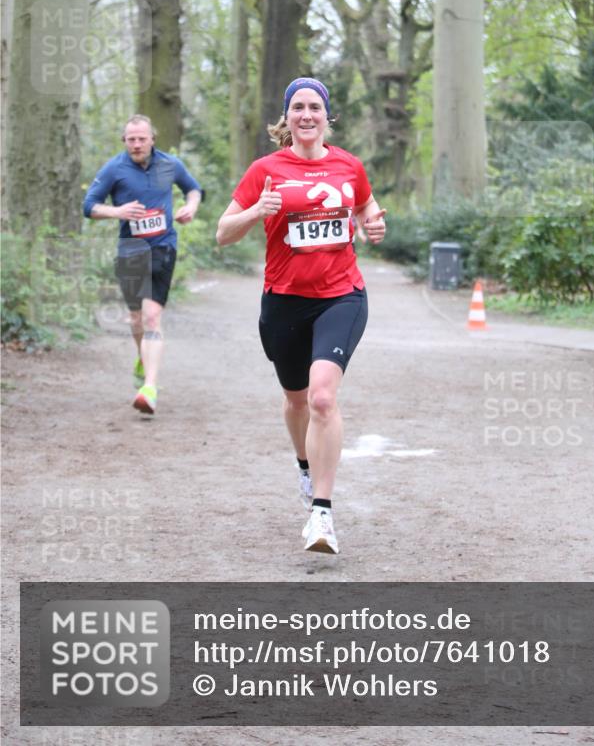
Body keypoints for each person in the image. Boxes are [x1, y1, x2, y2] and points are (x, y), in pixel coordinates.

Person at [216, 78, 386, 554]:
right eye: (298, 107)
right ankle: (305, 466)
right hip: (284, 301)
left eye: (315, 107)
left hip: (342, 296)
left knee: (323, 399)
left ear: (326, 117)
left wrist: (373, 222)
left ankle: (322, 515)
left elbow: (367, 204)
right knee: (295, 401)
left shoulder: (348, 165)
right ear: (286, 118)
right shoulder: (266, 169)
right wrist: (256, 211)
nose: (306, 115)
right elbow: (222, 233)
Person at [83, 114, 202, 415]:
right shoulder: (114, 169)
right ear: (124, 141)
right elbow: (89, 206)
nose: (136, 144)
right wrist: (117, 211)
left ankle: (149, 387)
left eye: (142, 138)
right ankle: (142, 355)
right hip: (129, 251)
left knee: (151, 317)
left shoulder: (170, 164)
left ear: (152, 139)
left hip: (163, 247)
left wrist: (190, 207)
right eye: (131, 139)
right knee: (136, 318)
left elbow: (193, 188)